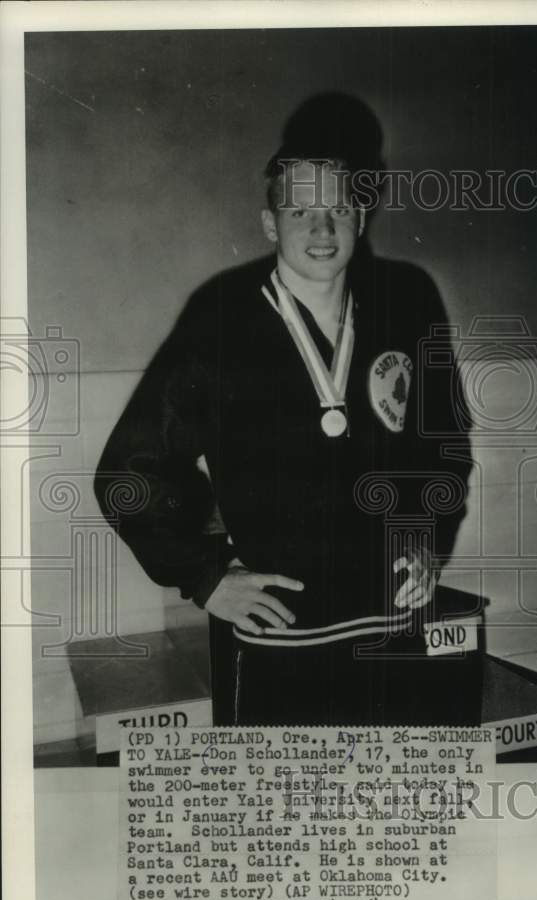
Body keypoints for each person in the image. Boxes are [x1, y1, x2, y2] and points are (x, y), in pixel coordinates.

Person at [96, 98, 476, 726]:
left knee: (391, 810)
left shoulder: (408, 302)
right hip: (280, 635)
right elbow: (127, 473)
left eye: (338, 210)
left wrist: (428, 539)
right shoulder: (219, 321)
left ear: (361, 214)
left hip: (396, 623)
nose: (322, 230)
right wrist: (207, 576)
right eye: (300, 211)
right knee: (294, 810)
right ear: (270, 223)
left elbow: (445, 445)